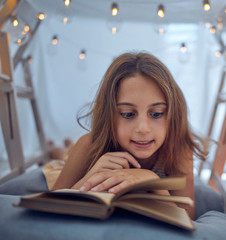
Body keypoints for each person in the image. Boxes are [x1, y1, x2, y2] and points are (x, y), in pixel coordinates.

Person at [53, 52, 207, 219]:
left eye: (156, 114)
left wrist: (152, 180)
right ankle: (59, 151)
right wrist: (90, 178)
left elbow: (187, 219)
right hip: (86, 152)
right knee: (60, 158)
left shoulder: (179, 149)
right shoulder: (88, 144)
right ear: (109, 114)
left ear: (172, 115)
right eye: (128, 114)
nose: (143, 128)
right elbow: (51, 206)